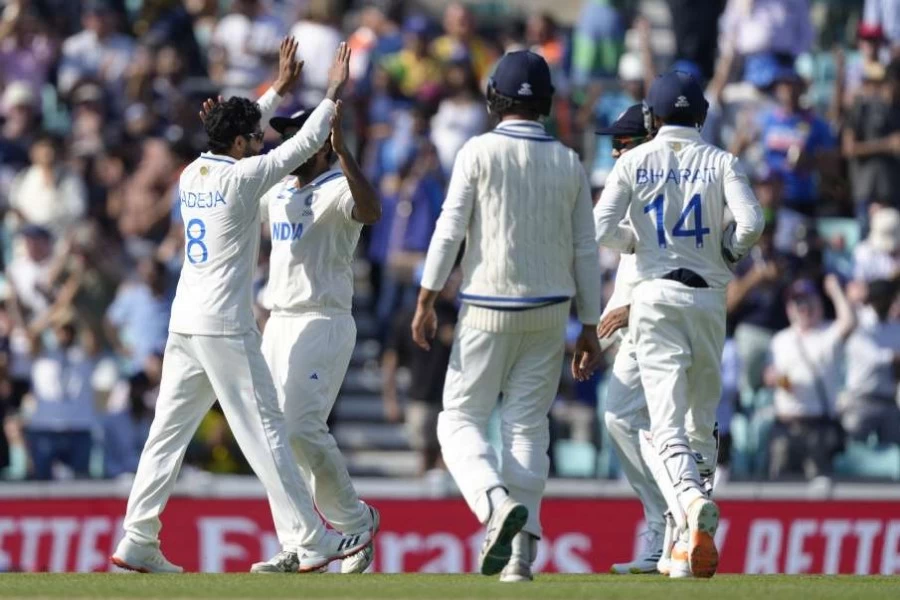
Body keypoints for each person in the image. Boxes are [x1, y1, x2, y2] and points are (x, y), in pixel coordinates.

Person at [111, 39, 371, 574]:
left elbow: (254, 134)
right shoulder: (246, 179)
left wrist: (275, 89)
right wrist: (333, 92)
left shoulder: (193, 175)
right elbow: (301, 147)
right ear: (236, 142)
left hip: (183, 324)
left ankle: (138, 536)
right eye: (251, 137)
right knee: (267, 432)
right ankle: (310, 538)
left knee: (165, 435)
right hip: (226, 328)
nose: (258, 143)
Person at [411, 51, 603, 582]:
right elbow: (586, 251)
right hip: (550, 312)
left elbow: (449, 229)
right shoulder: (568, 160)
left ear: (494, 98)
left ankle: (493, 505)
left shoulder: (477, 151)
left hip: (487, 307)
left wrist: (426, 298)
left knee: (457, 421)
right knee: (525, 429)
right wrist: (589, 324)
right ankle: (520, 556)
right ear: (545, 101)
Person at [594, 71, 764, 578]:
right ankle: (685, 547)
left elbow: (602, 229)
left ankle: (688, 505)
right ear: (703, 117)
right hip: (709, 297)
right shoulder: (722, 161)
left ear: (655, 118)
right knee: (699, 422)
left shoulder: (635, 160)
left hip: (654, 295)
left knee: (664, 424)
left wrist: (639, 247)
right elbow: (752, 223)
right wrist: (728, 253)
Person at [250, 97, 382, 574]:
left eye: (301, 135)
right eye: (285, 135)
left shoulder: (336, 186)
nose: (291, 143)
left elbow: (371, 211)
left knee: (302, 426)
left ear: (323, 143)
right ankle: (301, 543)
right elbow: (240, 183)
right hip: (278, 321)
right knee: (273, 439)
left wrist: (345, 153)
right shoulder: (278, 189)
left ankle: (356, 520)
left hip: (323, 319)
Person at [593, 104, 669, 575]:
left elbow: (690, 274)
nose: (614, 153)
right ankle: (666, 530)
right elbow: (627, 277)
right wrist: (594, 340)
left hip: (668, 328)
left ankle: (673, 530)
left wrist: (634, 311)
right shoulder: (638, 197)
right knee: (622, 418)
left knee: (672, 430)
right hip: (641, 330)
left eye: (621, 144)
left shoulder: (673, 191)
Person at [765, 277, 857, 480]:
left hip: (818, 427)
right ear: (789, 307)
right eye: (797, 302)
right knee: (780, 488)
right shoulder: (780, 340)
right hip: (786, 426)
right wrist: (776, 379)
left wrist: (835, 290)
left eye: (808, 300)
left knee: (819, 489)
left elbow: (850, 322)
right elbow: (770, 374)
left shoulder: (828, 333)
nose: (803, 307)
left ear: (818, 303)